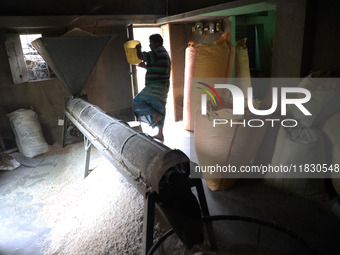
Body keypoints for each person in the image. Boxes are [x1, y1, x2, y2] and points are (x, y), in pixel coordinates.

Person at [133, 34, 171, 141]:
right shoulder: (163, 53)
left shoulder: (157, 52)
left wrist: (138, 48)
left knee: (137, 101)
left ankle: (154, 115)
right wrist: (145, 66)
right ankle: (160, 134)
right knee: (159, 107)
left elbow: (140, 56)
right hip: (163, 86)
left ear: (157, 43)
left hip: (156, 86)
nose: (150, 45)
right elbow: (157, 67)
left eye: (151, 43)